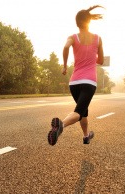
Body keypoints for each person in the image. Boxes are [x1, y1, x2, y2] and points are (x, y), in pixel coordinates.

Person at [48, 5, 104, 146]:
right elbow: (101, 61)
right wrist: (92, 58)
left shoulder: (73, 37)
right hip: (89, 82)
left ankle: (86, 136)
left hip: (74, 83)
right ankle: (61, 126)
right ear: (89, 22)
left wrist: (65, 66)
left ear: (77, 23)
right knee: (78, 112)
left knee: (83, 112)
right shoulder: (98, 38)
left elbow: (66, 47)